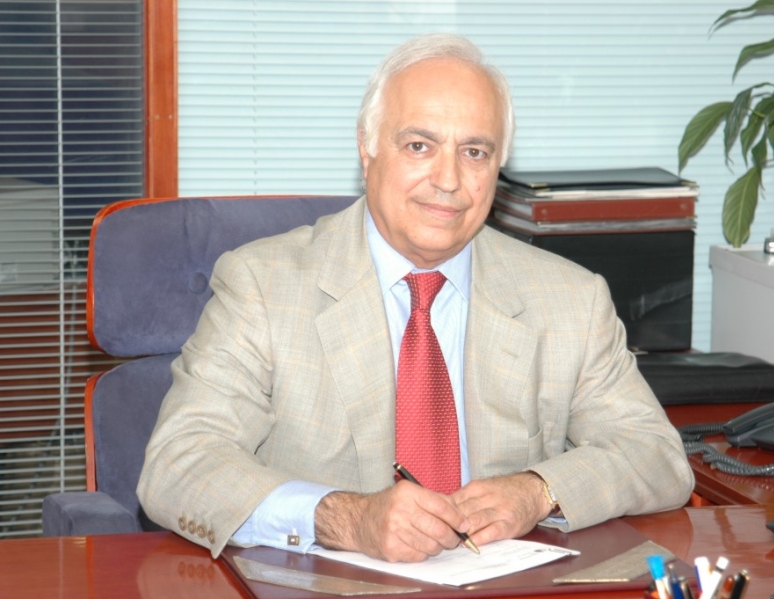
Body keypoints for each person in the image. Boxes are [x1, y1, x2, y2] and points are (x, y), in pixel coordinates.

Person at [137, 32, 694, 563]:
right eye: (419, 145)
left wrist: (538, 490)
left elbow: (656, 456)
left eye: (474, 152)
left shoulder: (571, 299)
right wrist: (345, 519)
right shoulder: (264, 286)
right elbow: (179, 465)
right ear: (367, 148)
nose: (448, 179)